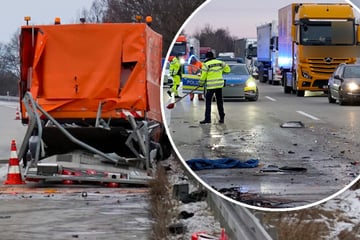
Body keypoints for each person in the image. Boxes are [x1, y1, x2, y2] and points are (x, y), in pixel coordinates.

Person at [199, 51, 231, 124]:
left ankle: (207, 119)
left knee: (208, 102)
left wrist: (201, 83)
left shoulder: (206, 64)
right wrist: (220, 72)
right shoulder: (220, 62)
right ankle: (222, 117)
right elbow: (228, 70)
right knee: (219, 101)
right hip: (219, 85)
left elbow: (203, 76)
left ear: (207, 57)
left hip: (211, 86)